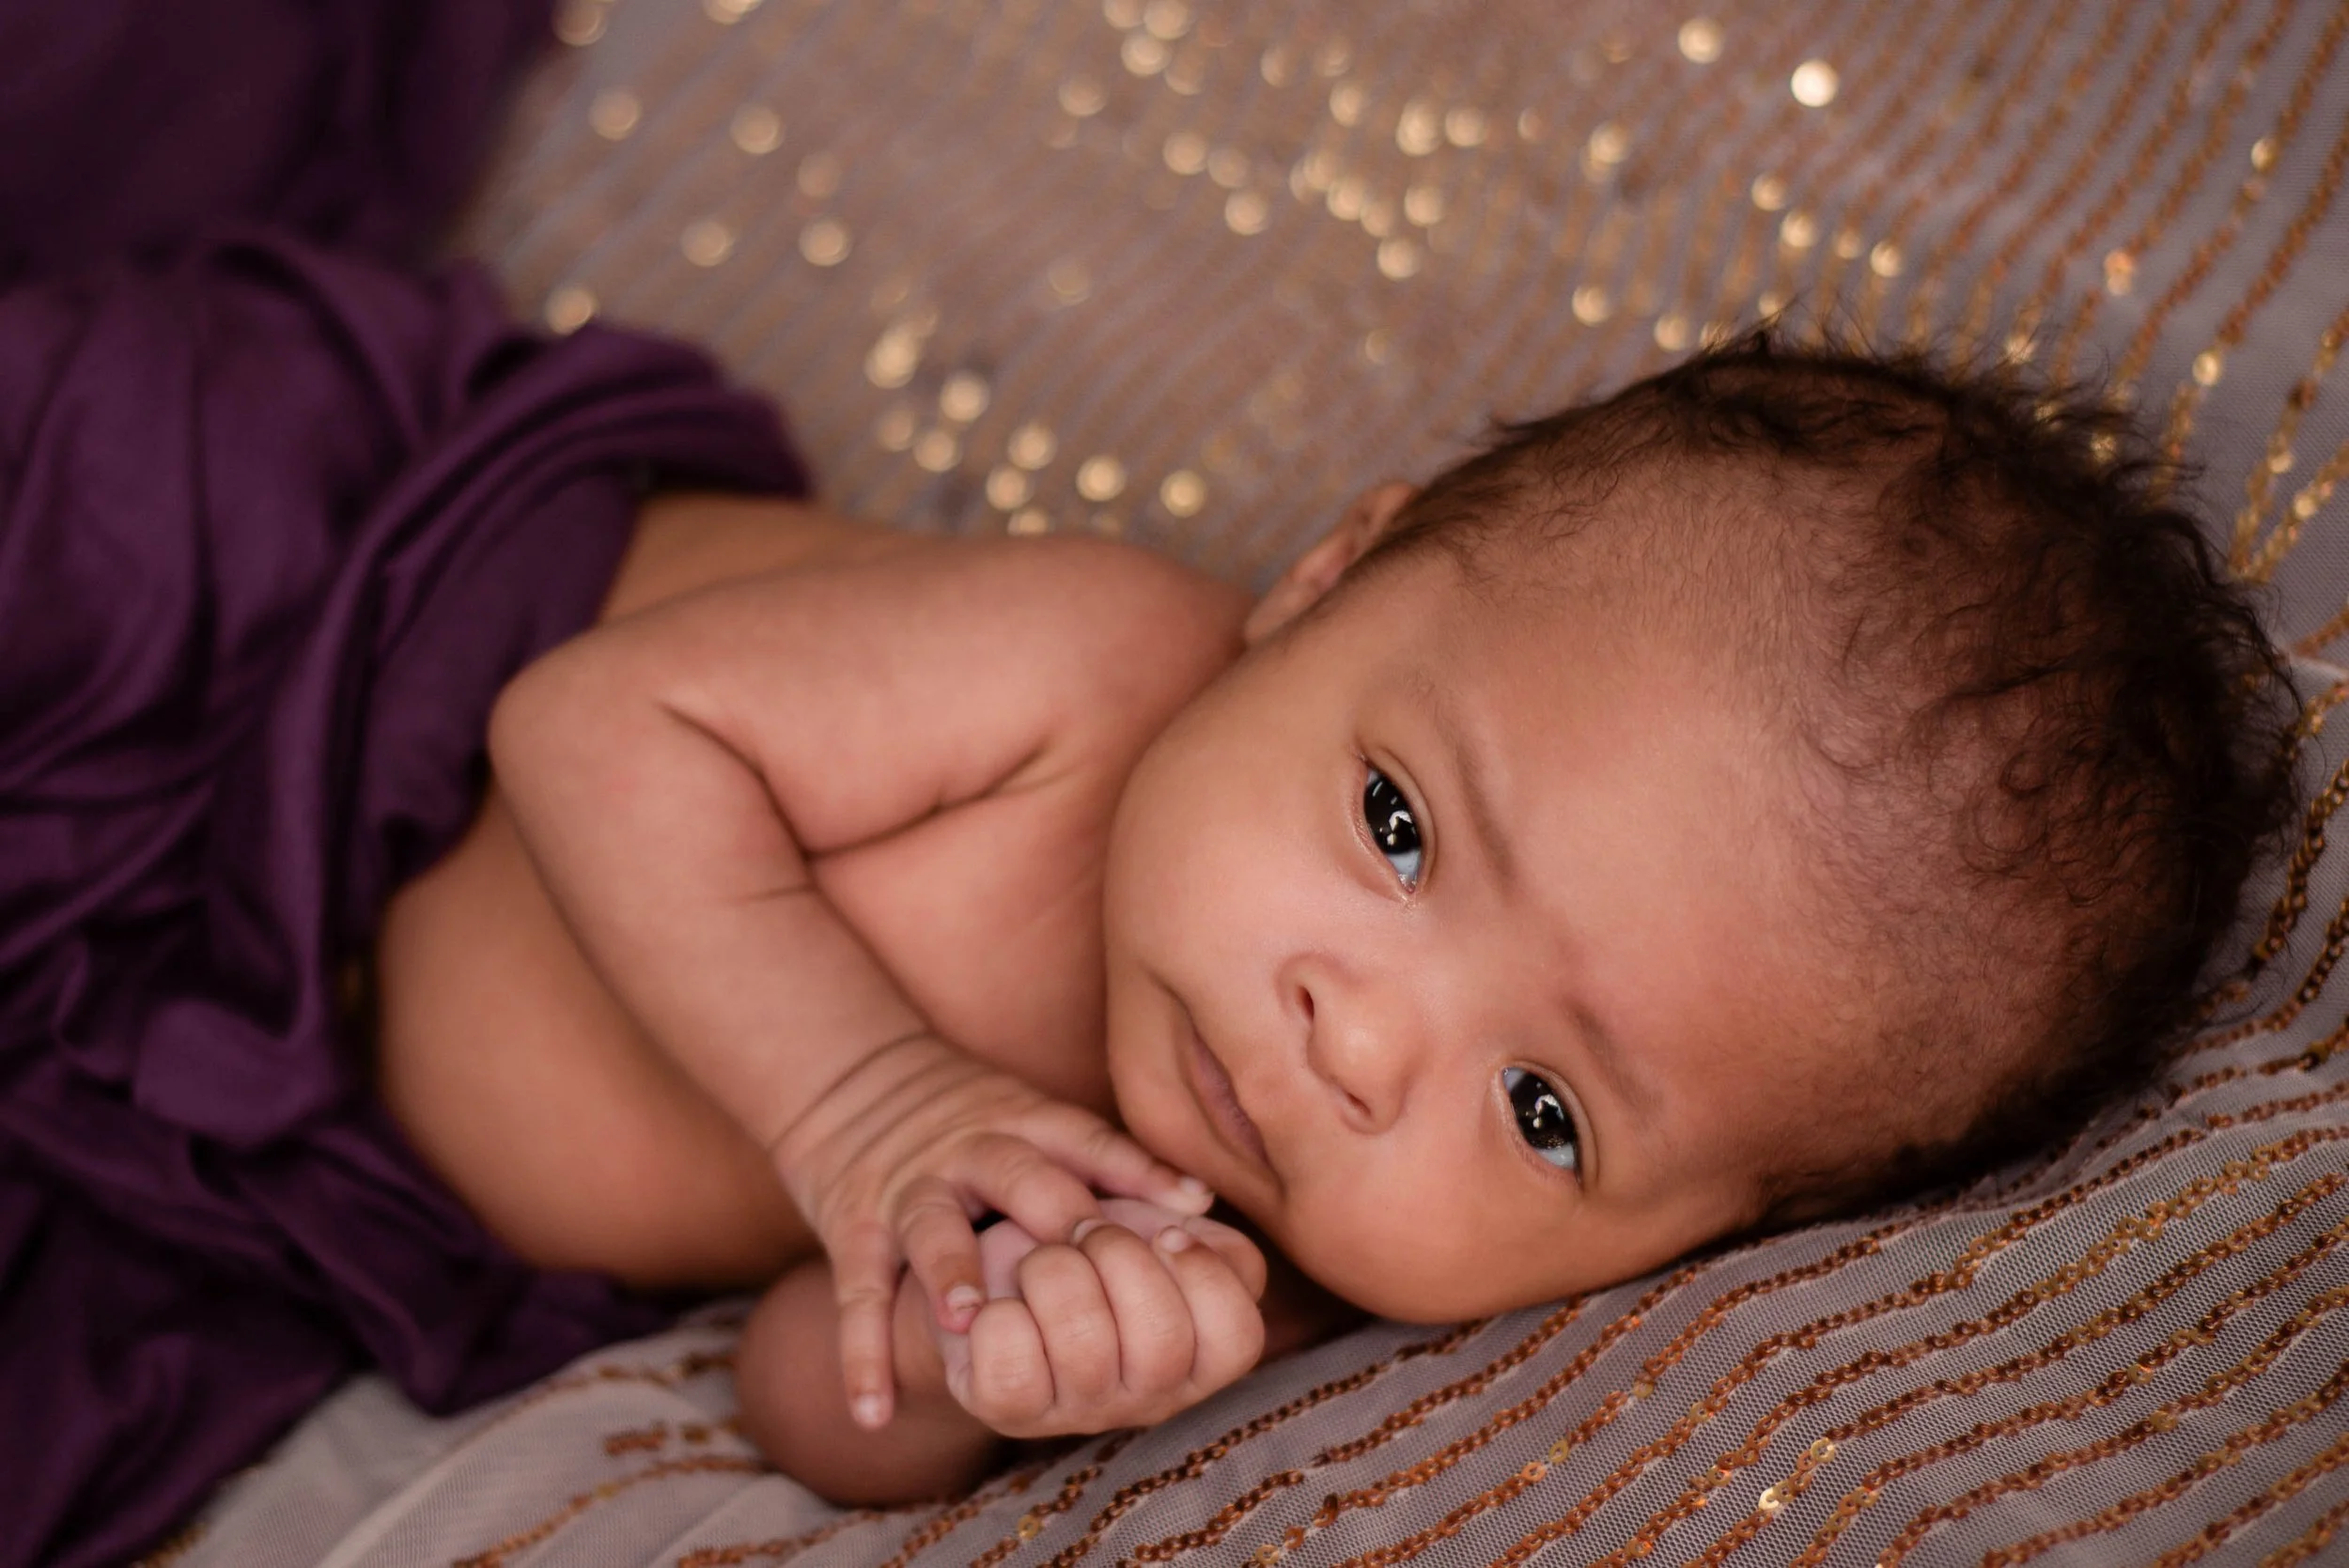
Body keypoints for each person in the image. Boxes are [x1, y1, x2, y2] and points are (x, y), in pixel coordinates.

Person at [372, 332, 2300, 1505]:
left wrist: (992, 1360)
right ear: (1321, 580)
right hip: (280, 687)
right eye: (1395, 824)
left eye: (1543, 1113)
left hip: (280, 1109)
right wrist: (864, 1100)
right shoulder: (1087, 665)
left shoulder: (1246, 1258)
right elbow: (593, 723)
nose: (1360, 1044)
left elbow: (807, 1392)